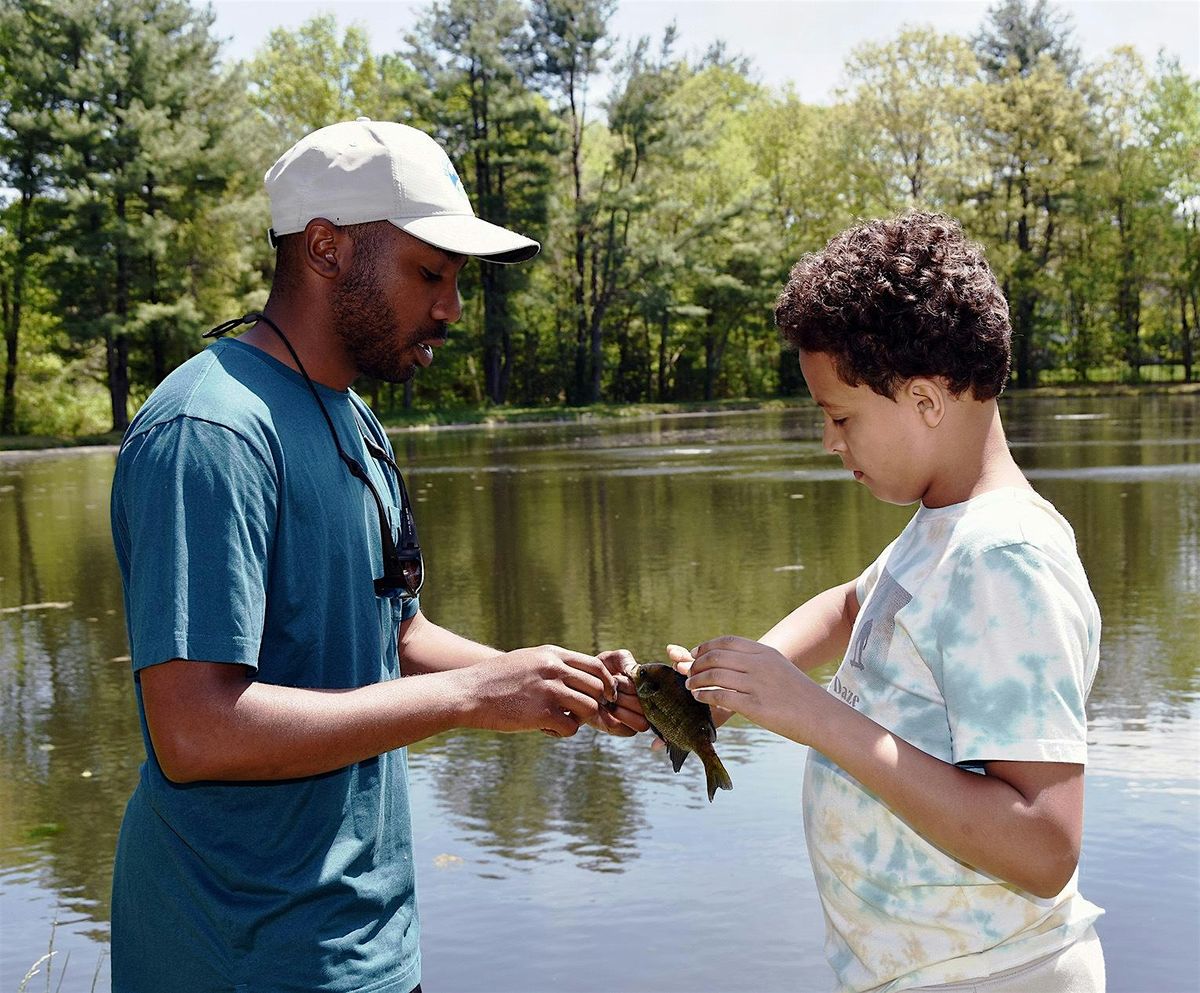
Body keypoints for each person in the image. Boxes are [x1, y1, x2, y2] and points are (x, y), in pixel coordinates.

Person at [108, 118, 647, 993]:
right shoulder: (210, 431)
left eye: (458, 279)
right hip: (239, 961)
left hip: (368, 946)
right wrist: (473, 697)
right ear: (325, 249)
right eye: (429, 272)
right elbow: (195, 732)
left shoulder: (356, 419)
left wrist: (562, 681)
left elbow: (394, 634)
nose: (452, 307)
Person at [673, 212, 1105, 992]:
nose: (831, 443)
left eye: (841, 418)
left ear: (926, 401)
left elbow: (1045, 847)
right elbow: (848, 607)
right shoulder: (943, 524)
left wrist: (812, 713)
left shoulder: (1004, 556)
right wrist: (741, 681)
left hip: (997, 976)